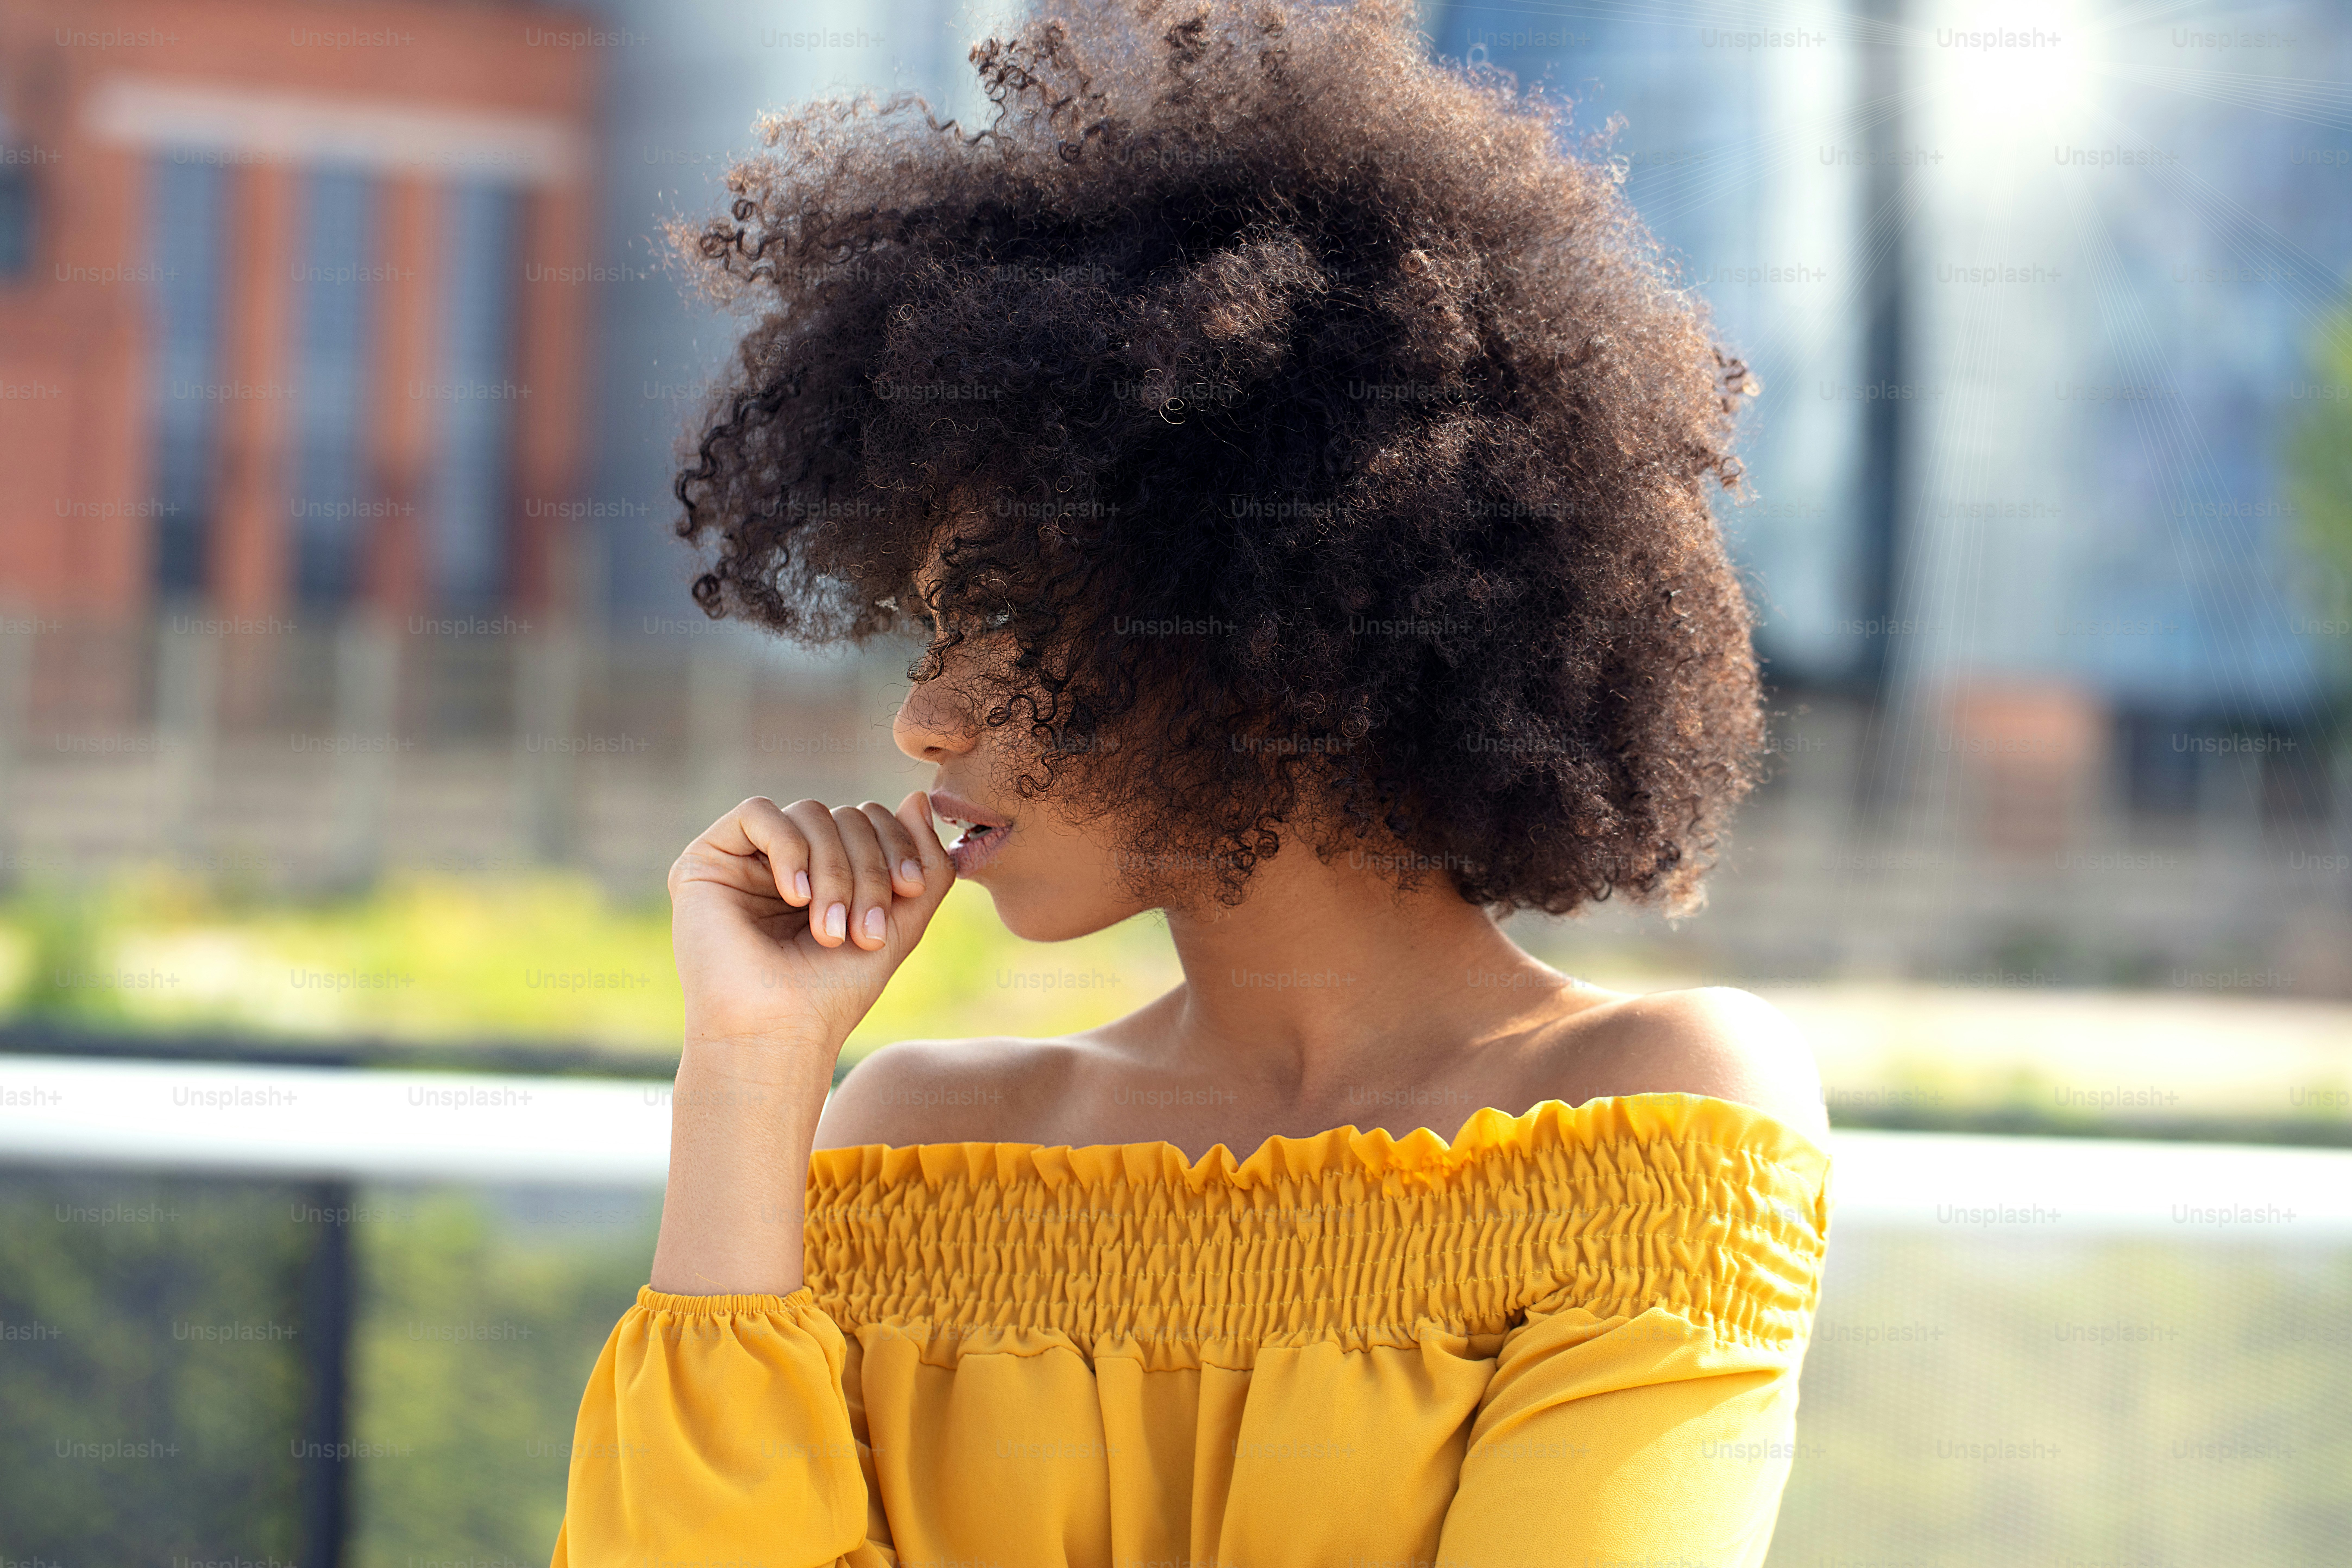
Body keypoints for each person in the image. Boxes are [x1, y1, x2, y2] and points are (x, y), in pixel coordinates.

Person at [552, 0, 1831, 1562]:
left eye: (1006, 621)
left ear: (1274, 613)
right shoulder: (921, 1146)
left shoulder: (1641, 1114)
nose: (924, 725)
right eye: (929, 631)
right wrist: (752, 1079)